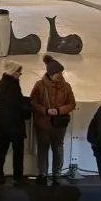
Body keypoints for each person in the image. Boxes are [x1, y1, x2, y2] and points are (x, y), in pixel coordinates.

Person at [29, 55, 76, 186]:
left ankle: (57, 174)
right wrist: (45, 111)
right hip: (43, 123)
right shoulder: (39, 85)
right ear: (51, 73)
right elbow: (33, 102)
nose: (60, 75)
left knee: (58, 148)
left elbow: (71, 104)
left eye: (61, 72)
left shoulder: (66, 86)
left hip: (59, 124)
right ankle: (42, 174)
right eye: (58, 73)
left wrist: (59, 110)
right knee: (43, 148)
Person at [0, 61, 29, 183]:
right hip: (13, 123)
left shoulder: (6, 83)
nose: (20, 74)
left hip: (5, 123)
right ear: (13, 73)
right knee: (17, 150)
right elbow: (16, 102)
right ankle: (17, 176)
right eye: (19, 72)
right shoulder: (10, 85)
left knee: (2, 148)